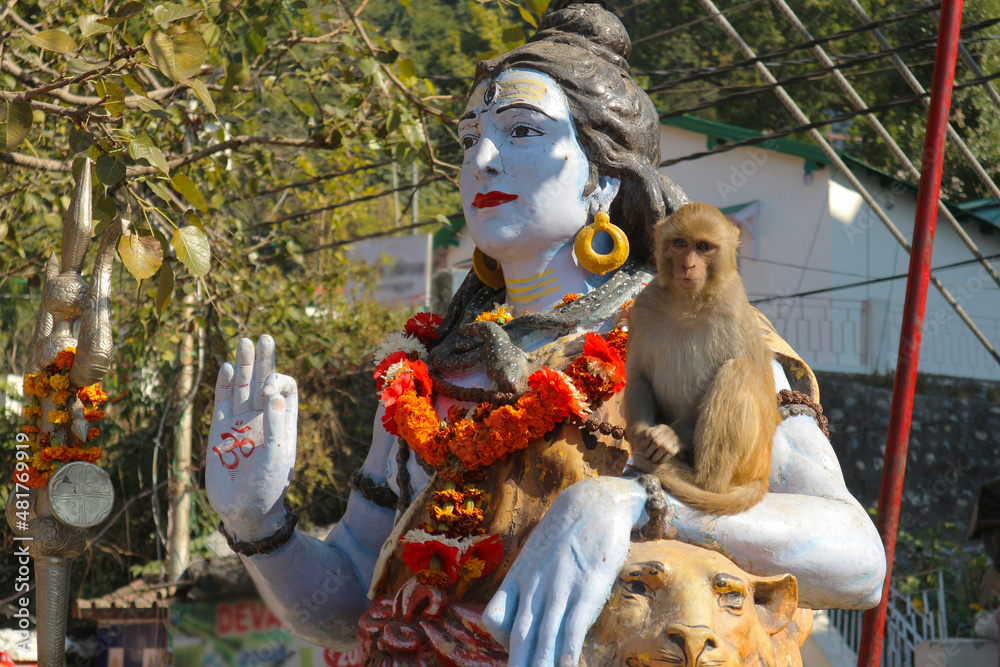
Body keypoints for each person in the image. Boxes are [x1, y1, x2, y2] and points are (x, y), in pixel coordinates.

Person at [206, 1, 885, 665]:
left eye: (521, 131)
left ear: (604, 172)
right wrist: (257, 522)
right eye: (470, 138)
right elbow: (346, 602)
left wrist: (630, 502)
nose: (483, 161)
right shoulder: (433, 373)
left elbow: (856, 558)